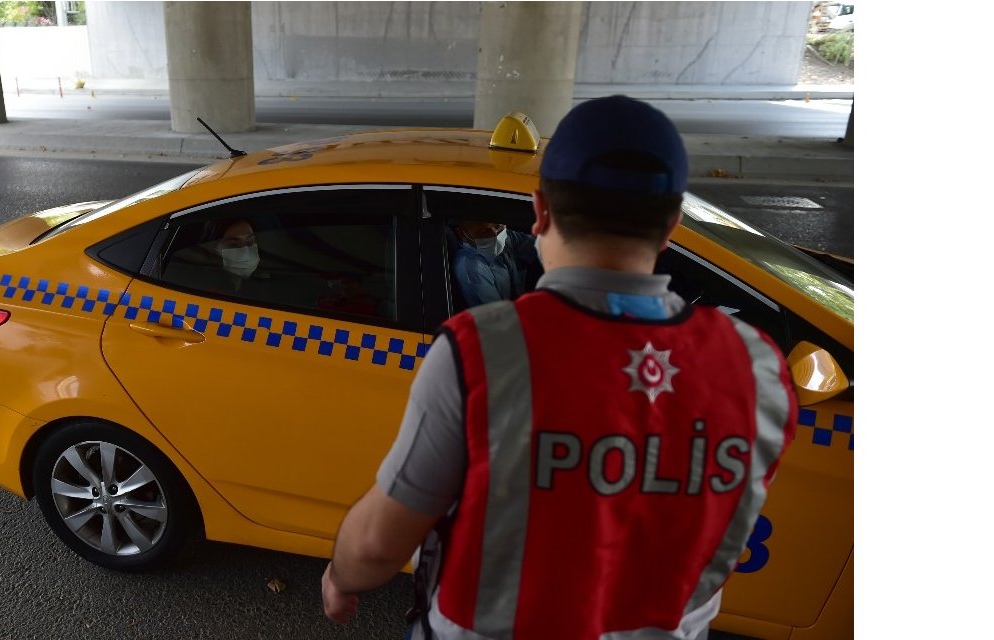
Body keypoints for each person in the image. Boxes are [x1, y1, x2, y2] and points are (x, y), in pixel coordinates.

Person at [320, 95, 798, 639]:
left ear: (540, 210)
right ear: (671, 227)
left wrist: (342, 576)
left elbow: (379, 544)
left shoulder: (482, 350)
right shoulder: (758, 366)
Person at [450, 220, 539, 307]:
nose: (495, 235)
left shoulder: (505, 237)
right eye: (483, 232)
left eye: (497, 226)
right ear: (462, 234)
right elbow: (499, 316)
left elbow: (539, 246)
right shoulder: (472, 271)